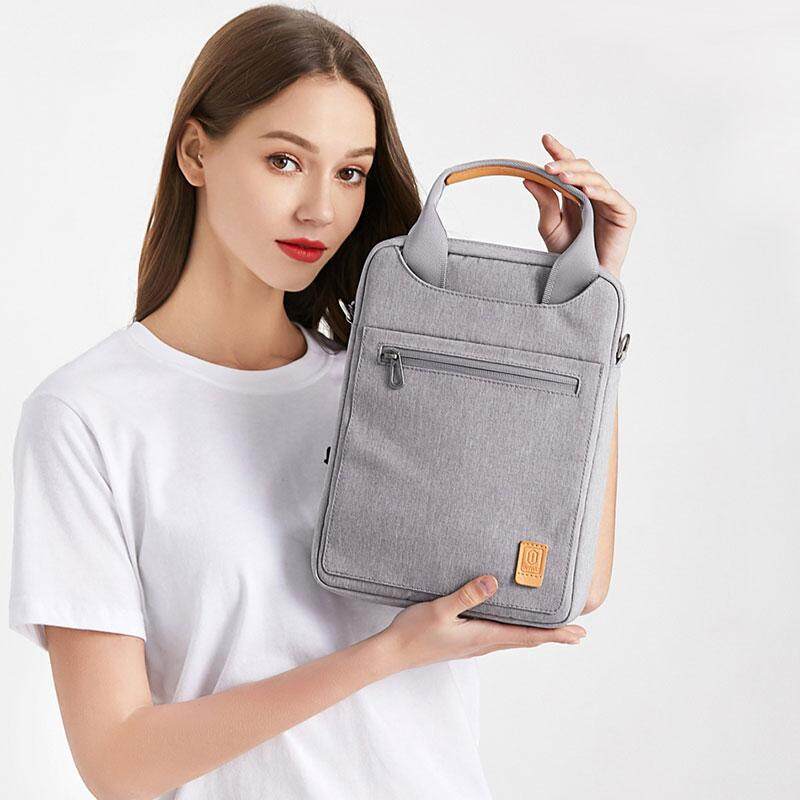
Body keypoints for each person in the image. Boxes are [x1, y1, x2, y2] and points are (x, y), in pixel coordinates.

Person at [8, 5, 636, 799]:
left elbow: (572, 584)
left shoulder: (384, 381)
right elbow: (118, 764)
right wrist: (387, 653)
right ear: (196, 151)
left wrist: (589, 320)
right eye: (284, 161)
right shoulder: (87, 416)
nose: (321, 210)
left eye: (350, 173)